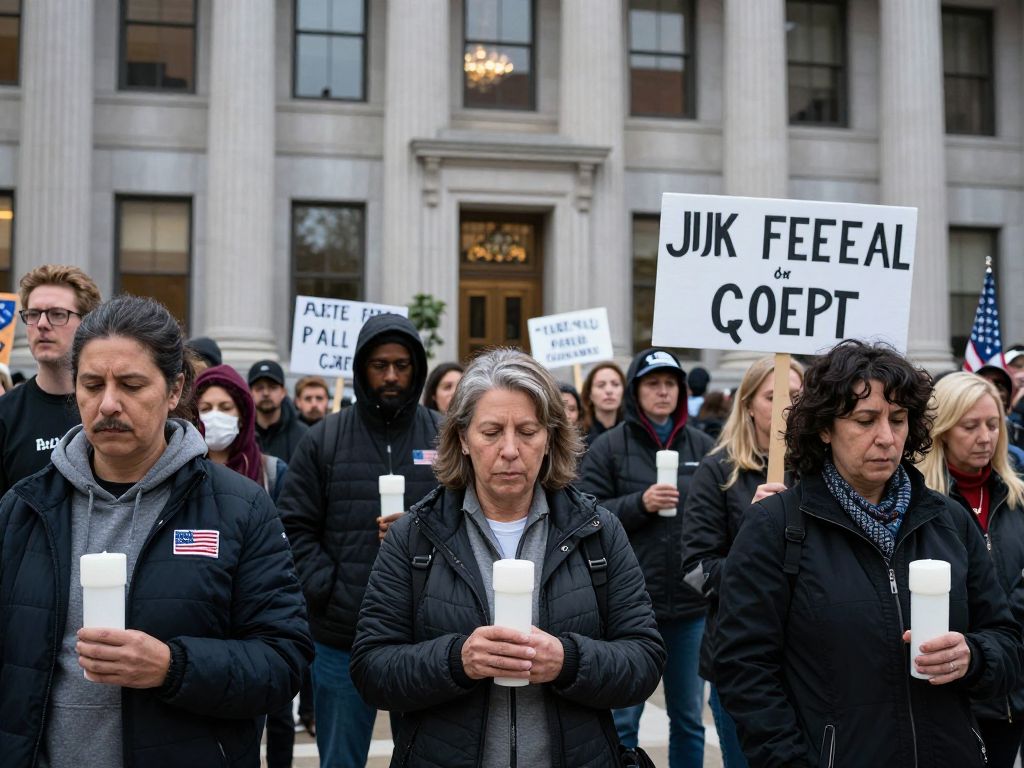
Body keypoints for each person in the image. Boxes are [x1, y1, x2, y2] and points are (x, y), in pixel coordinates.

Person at [0, 294, 312, 767]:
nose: (108, 404)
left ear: (173, 390)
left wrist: (172, 667)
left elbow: (282, 660)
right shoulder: (23, 509)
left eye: (130, 384)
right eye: (91, 384)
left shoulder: (240, 508)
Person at [350, 348, 666, 768]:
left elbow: (644, 660)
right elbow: (372, 670)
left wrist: (568, 661)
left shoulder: (596, 531)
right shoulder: (414, 536)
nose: (511, 450)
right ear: (462, 438)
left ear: (550, 437)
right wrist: (457, 660)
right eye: (492, 431)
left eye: (528, 431)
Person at [715, 340, 1022, 768]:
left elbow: (1007, 641)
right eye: (865, 420)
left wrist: (974, 656)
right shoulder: (775, 526)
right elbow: (743, 668)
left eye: (898, 420)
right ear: (825, 428)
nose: (886, 437)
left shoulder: (947, 519)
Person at [278, 313, 442, 768]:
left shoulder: (445, 436)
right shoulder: (323, 439)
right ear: (361, 369)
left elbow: (471, 515)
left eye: (402, 365)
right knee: (340, 759)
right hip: (343, 634)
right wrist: (328, 589)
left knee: (429, 755)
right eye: (379, 364)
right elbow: (292, 525)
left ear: (417, 369)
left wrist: (422, 528)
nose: (391, 375)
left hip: (427, 632)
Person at [579, 348, 714, 768]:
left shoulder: (705, 447)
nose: (662, 392)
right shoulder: (609, 447)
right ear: (636, 392)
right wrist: (641, 502)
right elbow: (587, 514)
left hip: (691, 605)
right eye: (653, 384)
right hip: (631, 608)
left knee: (689, 718)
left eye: (670, 384)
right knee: (623, 719)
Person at [681, 356, 804, 768]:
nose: (789, 407)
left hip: (812, 656)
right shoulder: (718, 472)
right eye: (775, 397)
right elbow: (697, 573)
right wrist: (756, 530)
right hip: (742, 661)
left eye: (798, 396)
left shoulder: (821, 471)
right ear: (748, 404)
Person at [918, 372, 1024, 767]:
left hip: (1013, 695)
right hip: (951, 696)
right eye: (970, 426)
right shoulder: (920, 508)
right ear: (943, 429)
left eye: (993, 424)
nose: (985, 437)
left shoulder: (1018, 498)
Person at [0, 265, 101, 494]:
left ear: (87, 323)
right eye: (33, 314)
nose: (42, 324)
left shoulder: (111, 407)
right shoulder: (6, 414)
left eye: (57, 314)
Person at [248, 359, 308, 463]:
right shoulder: (240, 433)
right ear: (250, 392)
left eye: (272, 387)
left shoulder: (303, 435)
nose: (266, 393)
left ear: (283, 392)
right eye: (259, 388)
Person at [580, 361, 626, 446]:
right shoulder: (578, 438)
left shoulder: (633, 432)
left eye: (615, 384)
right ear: (589, 393)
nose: (609, 390)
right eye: (601, 385)